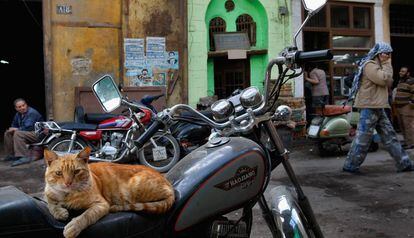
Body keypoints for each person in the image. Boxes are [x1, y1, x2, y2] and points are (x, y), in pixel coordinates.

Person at [343, 42, 414, 173]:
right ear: (377, 53)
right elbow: (383, 79)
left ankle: (404, 163)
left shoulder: (379, 66)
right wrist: (387, 64)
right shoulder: (370, 65)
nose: (387, 56)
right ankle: (351, 166)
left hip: (378, 105)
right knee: (363, 138)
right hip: (369, 105)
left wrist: (386, 67)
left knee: (390, 137)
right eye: (384, 53)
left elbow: (389, 81)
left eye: (389, 53)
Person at [3, 98, 44, 167]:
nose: (22, 108)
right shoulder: (18, 114)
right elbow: (14, 124)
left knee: (18, 133)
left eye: (23, 105)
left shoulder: (32, 113)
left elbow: (28, 127)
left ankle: (23, 156)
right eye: (19, 107)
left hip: (37, 134)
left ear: (26, 105)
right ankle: (12, 154)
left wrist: (16, 129)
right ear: (16, 108)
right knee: (8, 133)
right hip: (27, 133)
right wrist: (12, 129)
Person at [393, 66, 414, 149]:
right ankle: (407, 141)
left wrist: (411, 103)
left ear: (408, 73)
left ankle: (411, 143)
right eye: (400, 71)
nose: (400, 73)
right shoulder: (401, 81)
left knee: (408, 125)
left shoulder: (411, 81)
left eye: (403, 71)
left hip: (407, 107)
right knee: (402, 125)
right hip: (399, 107)